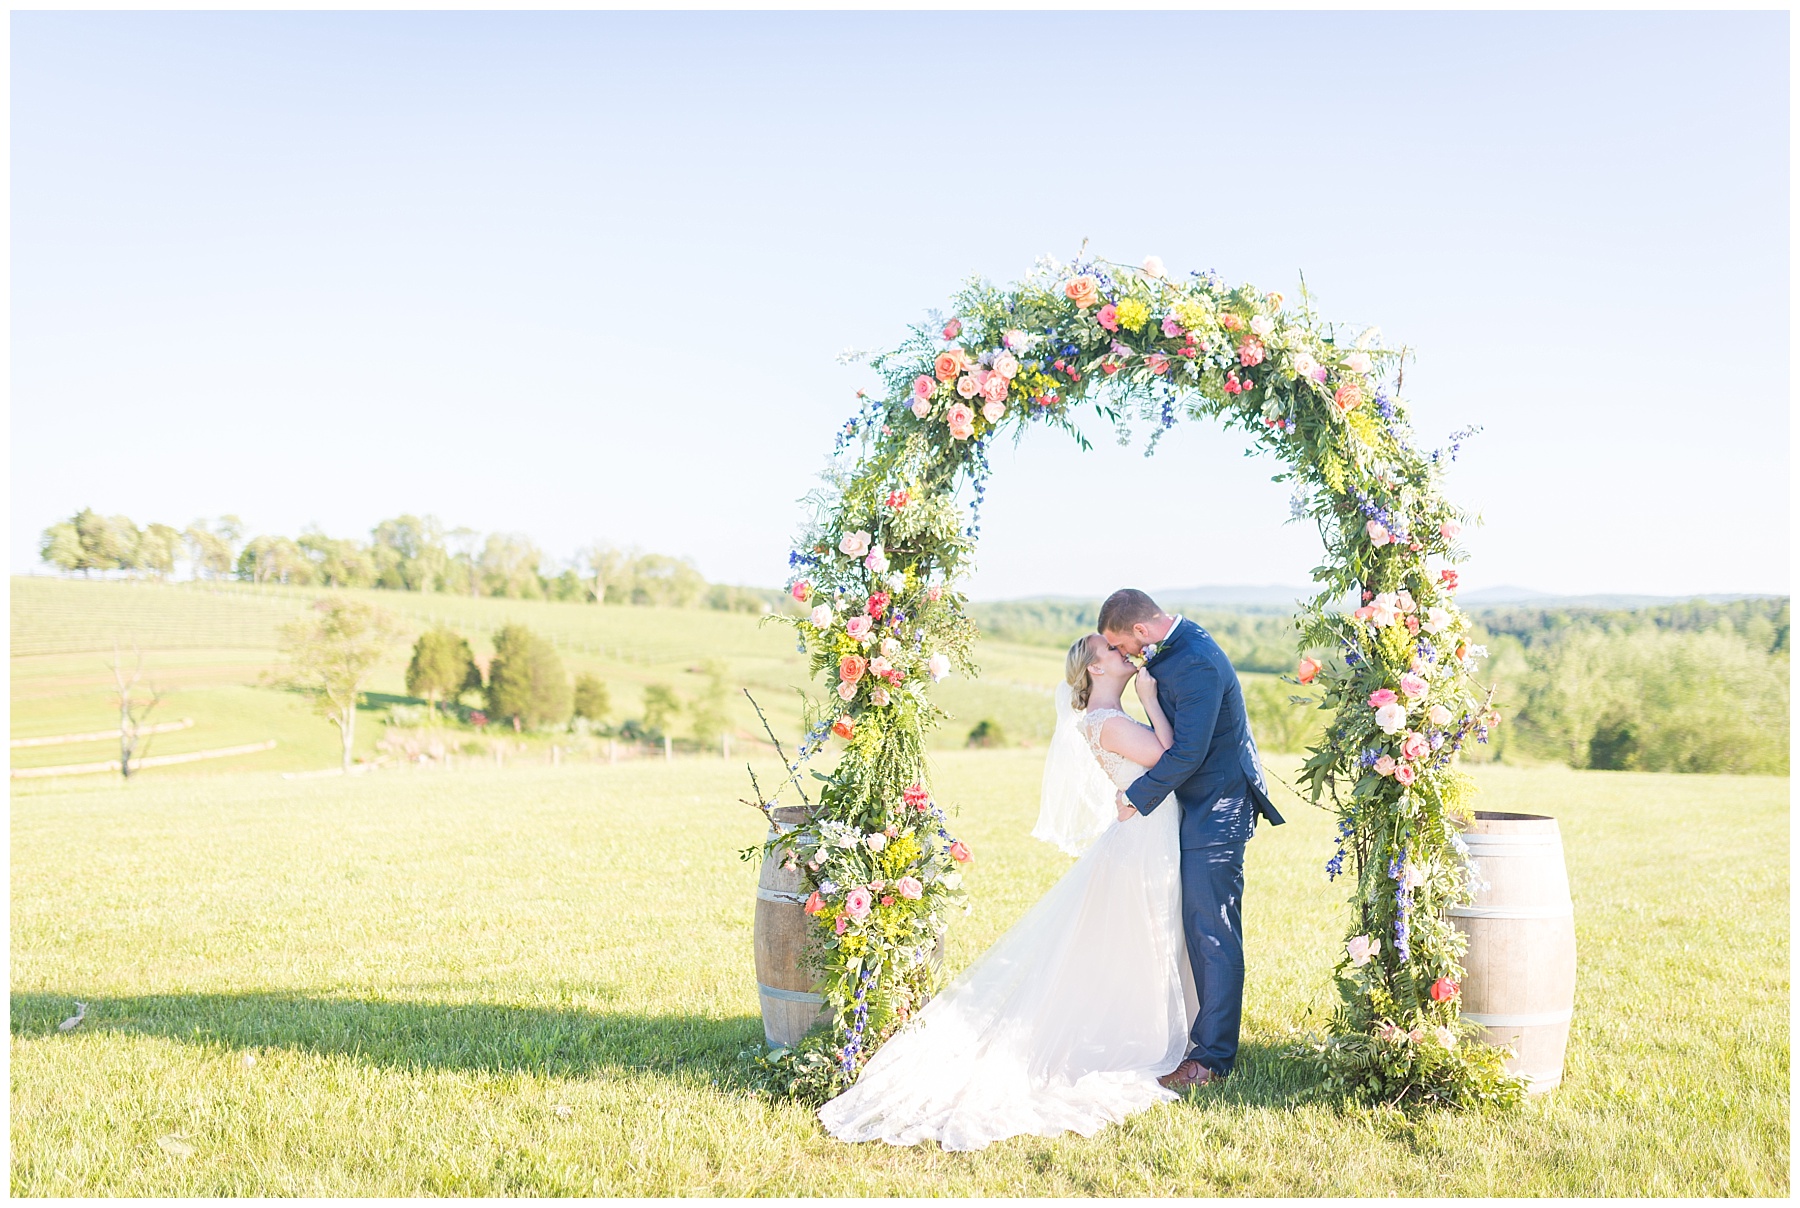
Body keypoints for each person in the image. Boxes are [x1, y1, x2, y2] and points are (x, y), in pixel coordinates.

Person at [817, 632, 1197, 1151]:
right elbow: (1168, 754)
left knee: (1148, 933)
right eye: (1110, 650)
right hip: (1142, 841)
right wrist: (1153, 697)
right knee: (1140, 937)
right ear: (1095, 671)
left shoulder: (1108, 719)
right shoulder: (1106, 723)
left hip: (1146, 833)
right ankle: (1141, 1032)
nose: (1122, 652)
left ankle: (1175, 1023)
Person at [1098, 588, 1285, 1091]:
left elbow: (1188, 755)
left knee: (1213, 931)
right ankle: (1189, 1034)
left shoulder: (1196, 661)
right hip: (1195, 806)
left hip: (1219, 808)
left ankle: (1212, 1060)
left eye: (1121, 646)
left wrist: (1136, 797)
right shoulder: (1176, 647)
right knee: (1194, 928)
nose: (1123, 656)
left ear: (1141, 631)